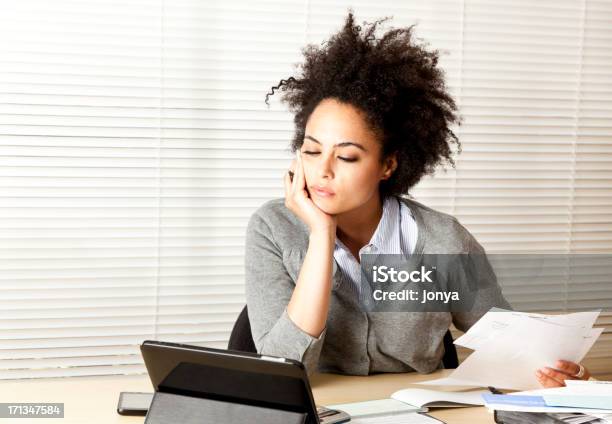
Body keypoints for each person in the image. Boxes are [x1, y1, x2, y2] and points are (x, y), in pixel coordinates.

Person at [244, 11, 590, 387]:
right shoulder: (273, 228)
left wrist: (562, 373)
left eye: (346, 156)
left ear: (387, 165)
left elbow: (511, 346)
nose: (323, 170)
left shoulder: (443, 240)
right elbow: (278, 370)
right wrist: (321, 237)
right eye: (311, 151)